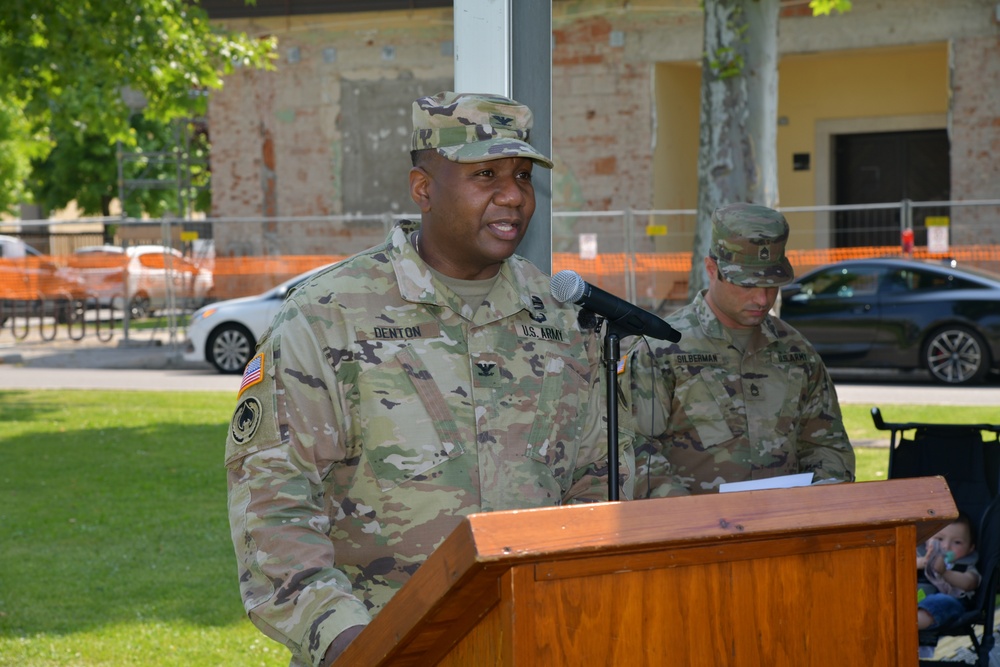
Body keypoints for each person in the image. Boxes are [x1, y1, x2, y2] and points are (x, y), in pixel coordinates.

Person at [224, 91, 633, 667]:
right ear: (423, 189)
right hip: (383, 643)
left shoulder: (564, 318)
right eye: (485, 173)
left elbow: (602, 479)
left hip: (539, 638)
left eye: (521, 175)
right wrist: (353, 643)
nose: (513, 195)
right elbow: (273, 502)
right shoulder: (328, 315)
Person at [625, 202, 855, 497]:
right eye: (747, 284)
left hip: (784, 528)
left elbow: (826, 443)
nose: (761, 299)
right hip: (695, 531)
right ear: (711, 269)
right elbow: (632, 448)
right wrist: (684, 513)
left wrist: (821, 494)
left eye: (772, 285)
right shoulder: (661, 349)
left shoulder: (797, 352)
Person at [917, 512, 980, 632]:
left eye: (957, 542)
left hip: (947, 605)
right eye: (939, 539)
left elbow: (970, 583)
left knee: (940, 601)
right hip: (913, 599)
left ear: (970, 548)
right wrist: (923, 562)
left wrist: (945, 572)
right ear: (926, 540)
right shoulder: (919, 556)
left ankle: (908, 624)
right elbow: (900, 567)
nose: (946, 546)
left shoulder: (965, 564)